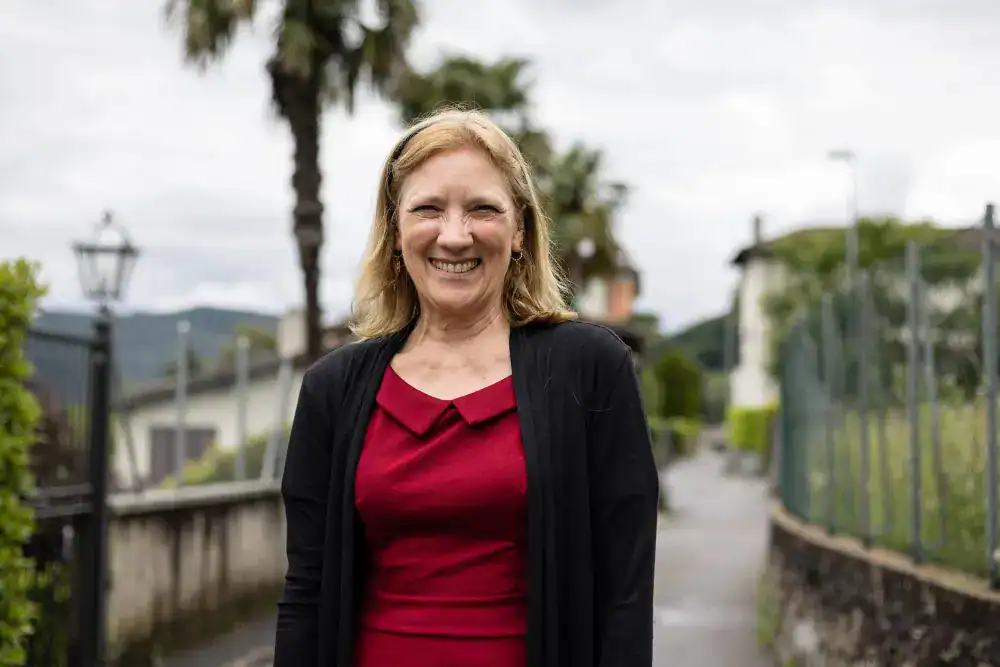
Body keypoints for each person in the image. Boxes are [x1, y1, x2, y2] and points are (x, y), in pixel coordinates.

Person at [273, 108, 659, 667]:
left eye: (483, 209)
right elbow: (305, 593)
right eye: (428, 209)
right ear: (396, 229)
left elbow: (625, 596)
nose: (455, 236)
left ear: (520, 229)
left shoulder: (592, 367)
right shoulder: (333, 389)